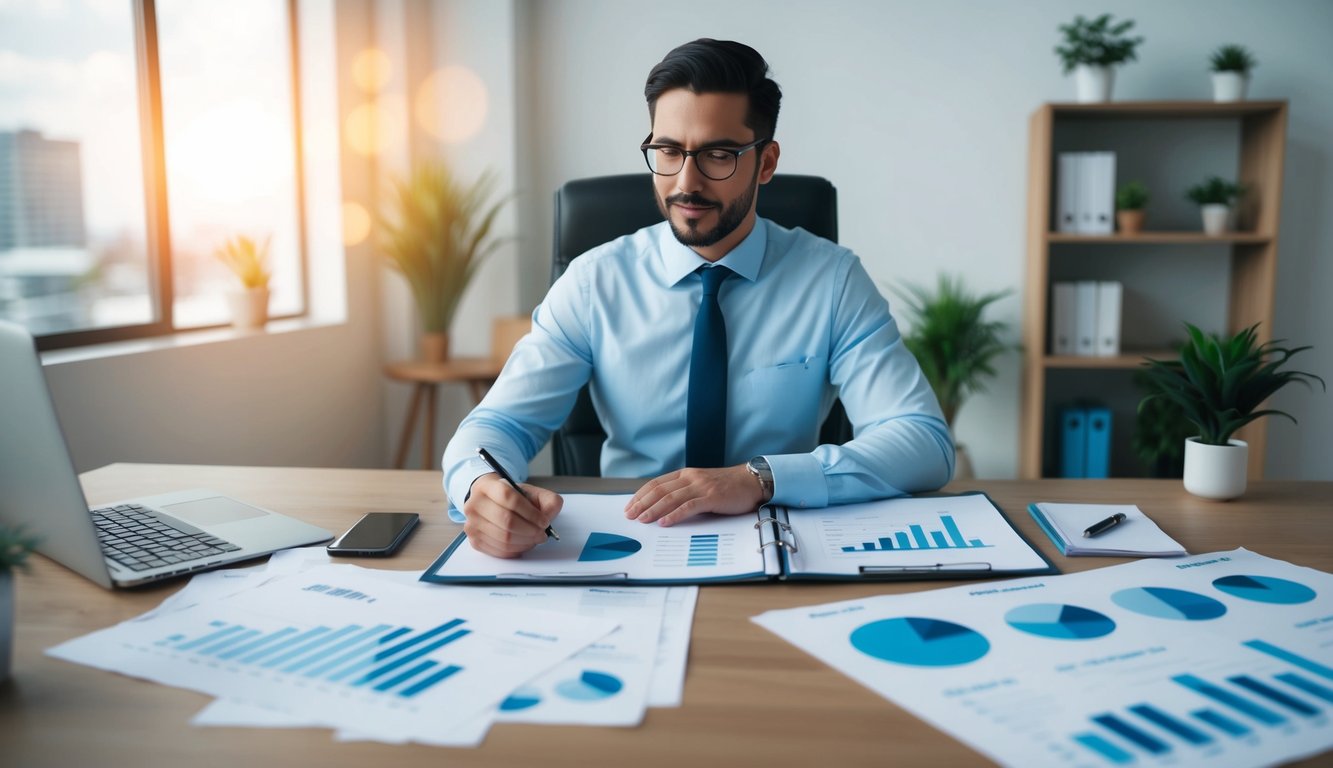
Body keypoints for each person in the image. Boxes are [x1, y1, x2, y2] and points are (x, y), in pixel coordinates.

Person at [443, 38, 953, 558]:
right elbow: (497, 425)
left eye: (718, 154)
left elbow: (922, 441)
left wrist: (759, 478)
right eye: (667, 151)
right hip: (628, 543)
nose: (686, 183)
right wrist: (481, 488)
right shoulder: (594, 281)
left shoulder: (832, 281)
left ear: (767, 162)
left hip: (777, 548)